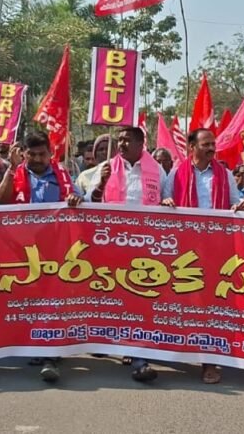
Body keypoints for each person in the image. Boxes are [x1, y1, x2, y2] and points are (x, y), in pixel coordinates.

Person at [0, 132, 83, 383]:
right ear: (23, 154)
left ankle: (50, 354)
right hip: (25, 249)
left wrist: (76, 199)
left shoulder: (63, 176)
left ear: (50, 153)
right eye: (31, 154)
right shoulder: (16, 173)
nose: (36, 158)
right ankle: (38, 346)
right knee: (32, 299)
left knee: (54, 298)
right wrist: (11, 170)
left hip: (57, 249)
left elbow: (78, 199)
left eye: (41, 154)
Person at [87, 126, 170, 382]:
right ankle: (117, 343)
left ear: (141, 143)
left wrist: (167, 202)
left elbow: (167, 198)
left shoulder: (156, 170)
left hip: (145, 245)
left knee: (139, 298)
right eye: (119, 139)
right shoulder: (107, 168)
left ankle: (137, 355)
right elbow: (90, 201)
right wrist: (101, 181)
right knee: (112, 296)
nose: (121, 144)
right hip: (112, 243)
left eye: (127, 140)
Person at [167, 128, 239, 384]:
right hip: (184, 249)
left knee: (211, 304)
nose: (211, 148)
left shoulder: (225, 174)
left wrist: (236, 206)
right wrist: (166, 203)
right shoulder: (176, 173)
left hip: (216, 248)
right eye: (206, 144)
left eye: (213, 143)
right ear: (191, 147)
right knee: (183, 301)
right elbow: (165, 199)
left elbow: (235, 201)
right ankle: (170, 347)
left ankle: (210, 359)